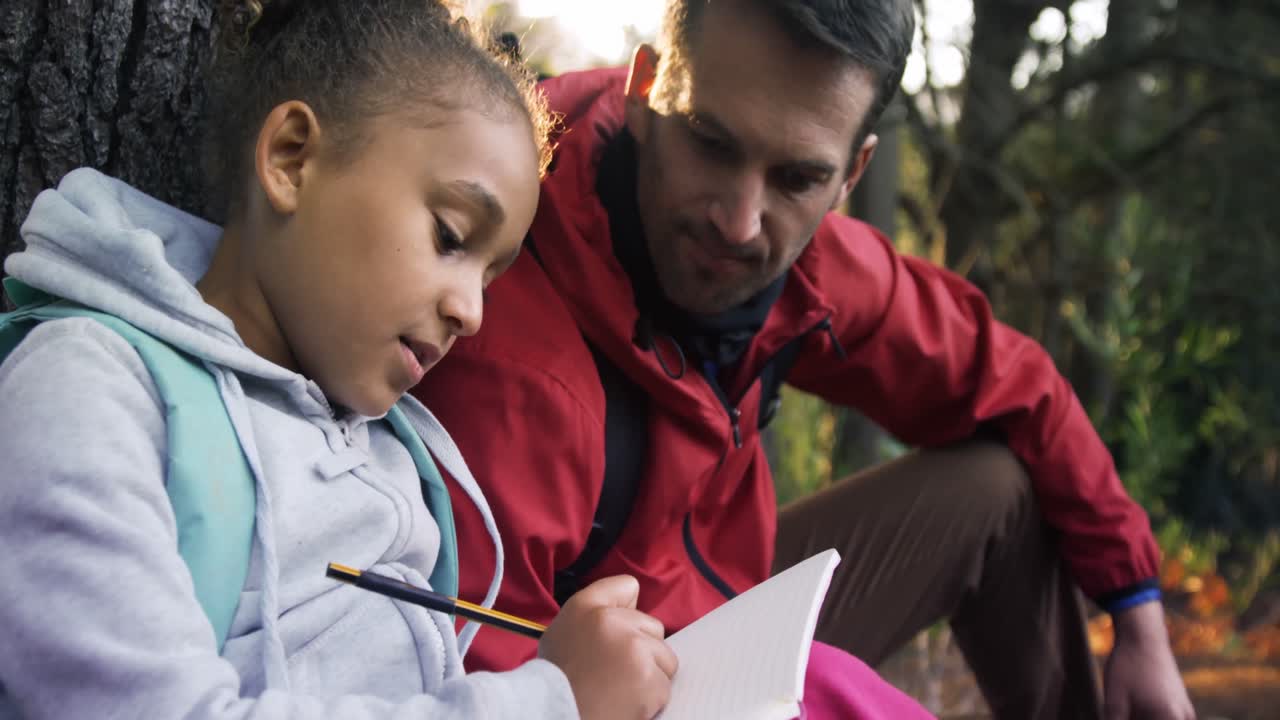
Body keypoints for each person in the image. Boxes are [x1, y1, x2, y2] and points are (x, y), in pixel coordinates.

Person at [413, 0, 1198, 718]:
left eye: (796, 178)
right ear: (647, 90)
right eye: (712, 143)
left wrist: (1138, 612)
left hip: (725, 607)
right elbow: (485, 681)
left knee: (996, 490)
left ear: (850, 175)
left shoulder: (810, 273)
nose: (740, 220)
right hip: (591, 679)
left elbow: (1014, 382)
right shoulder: (508, 340)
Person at [0, 1, 682, 718]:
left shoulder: (388, 455)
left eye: (489, 277)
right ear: (291, 159)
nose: (472, 313)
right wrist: (553, 702)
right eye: (451, 237)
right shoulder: (86, 392)